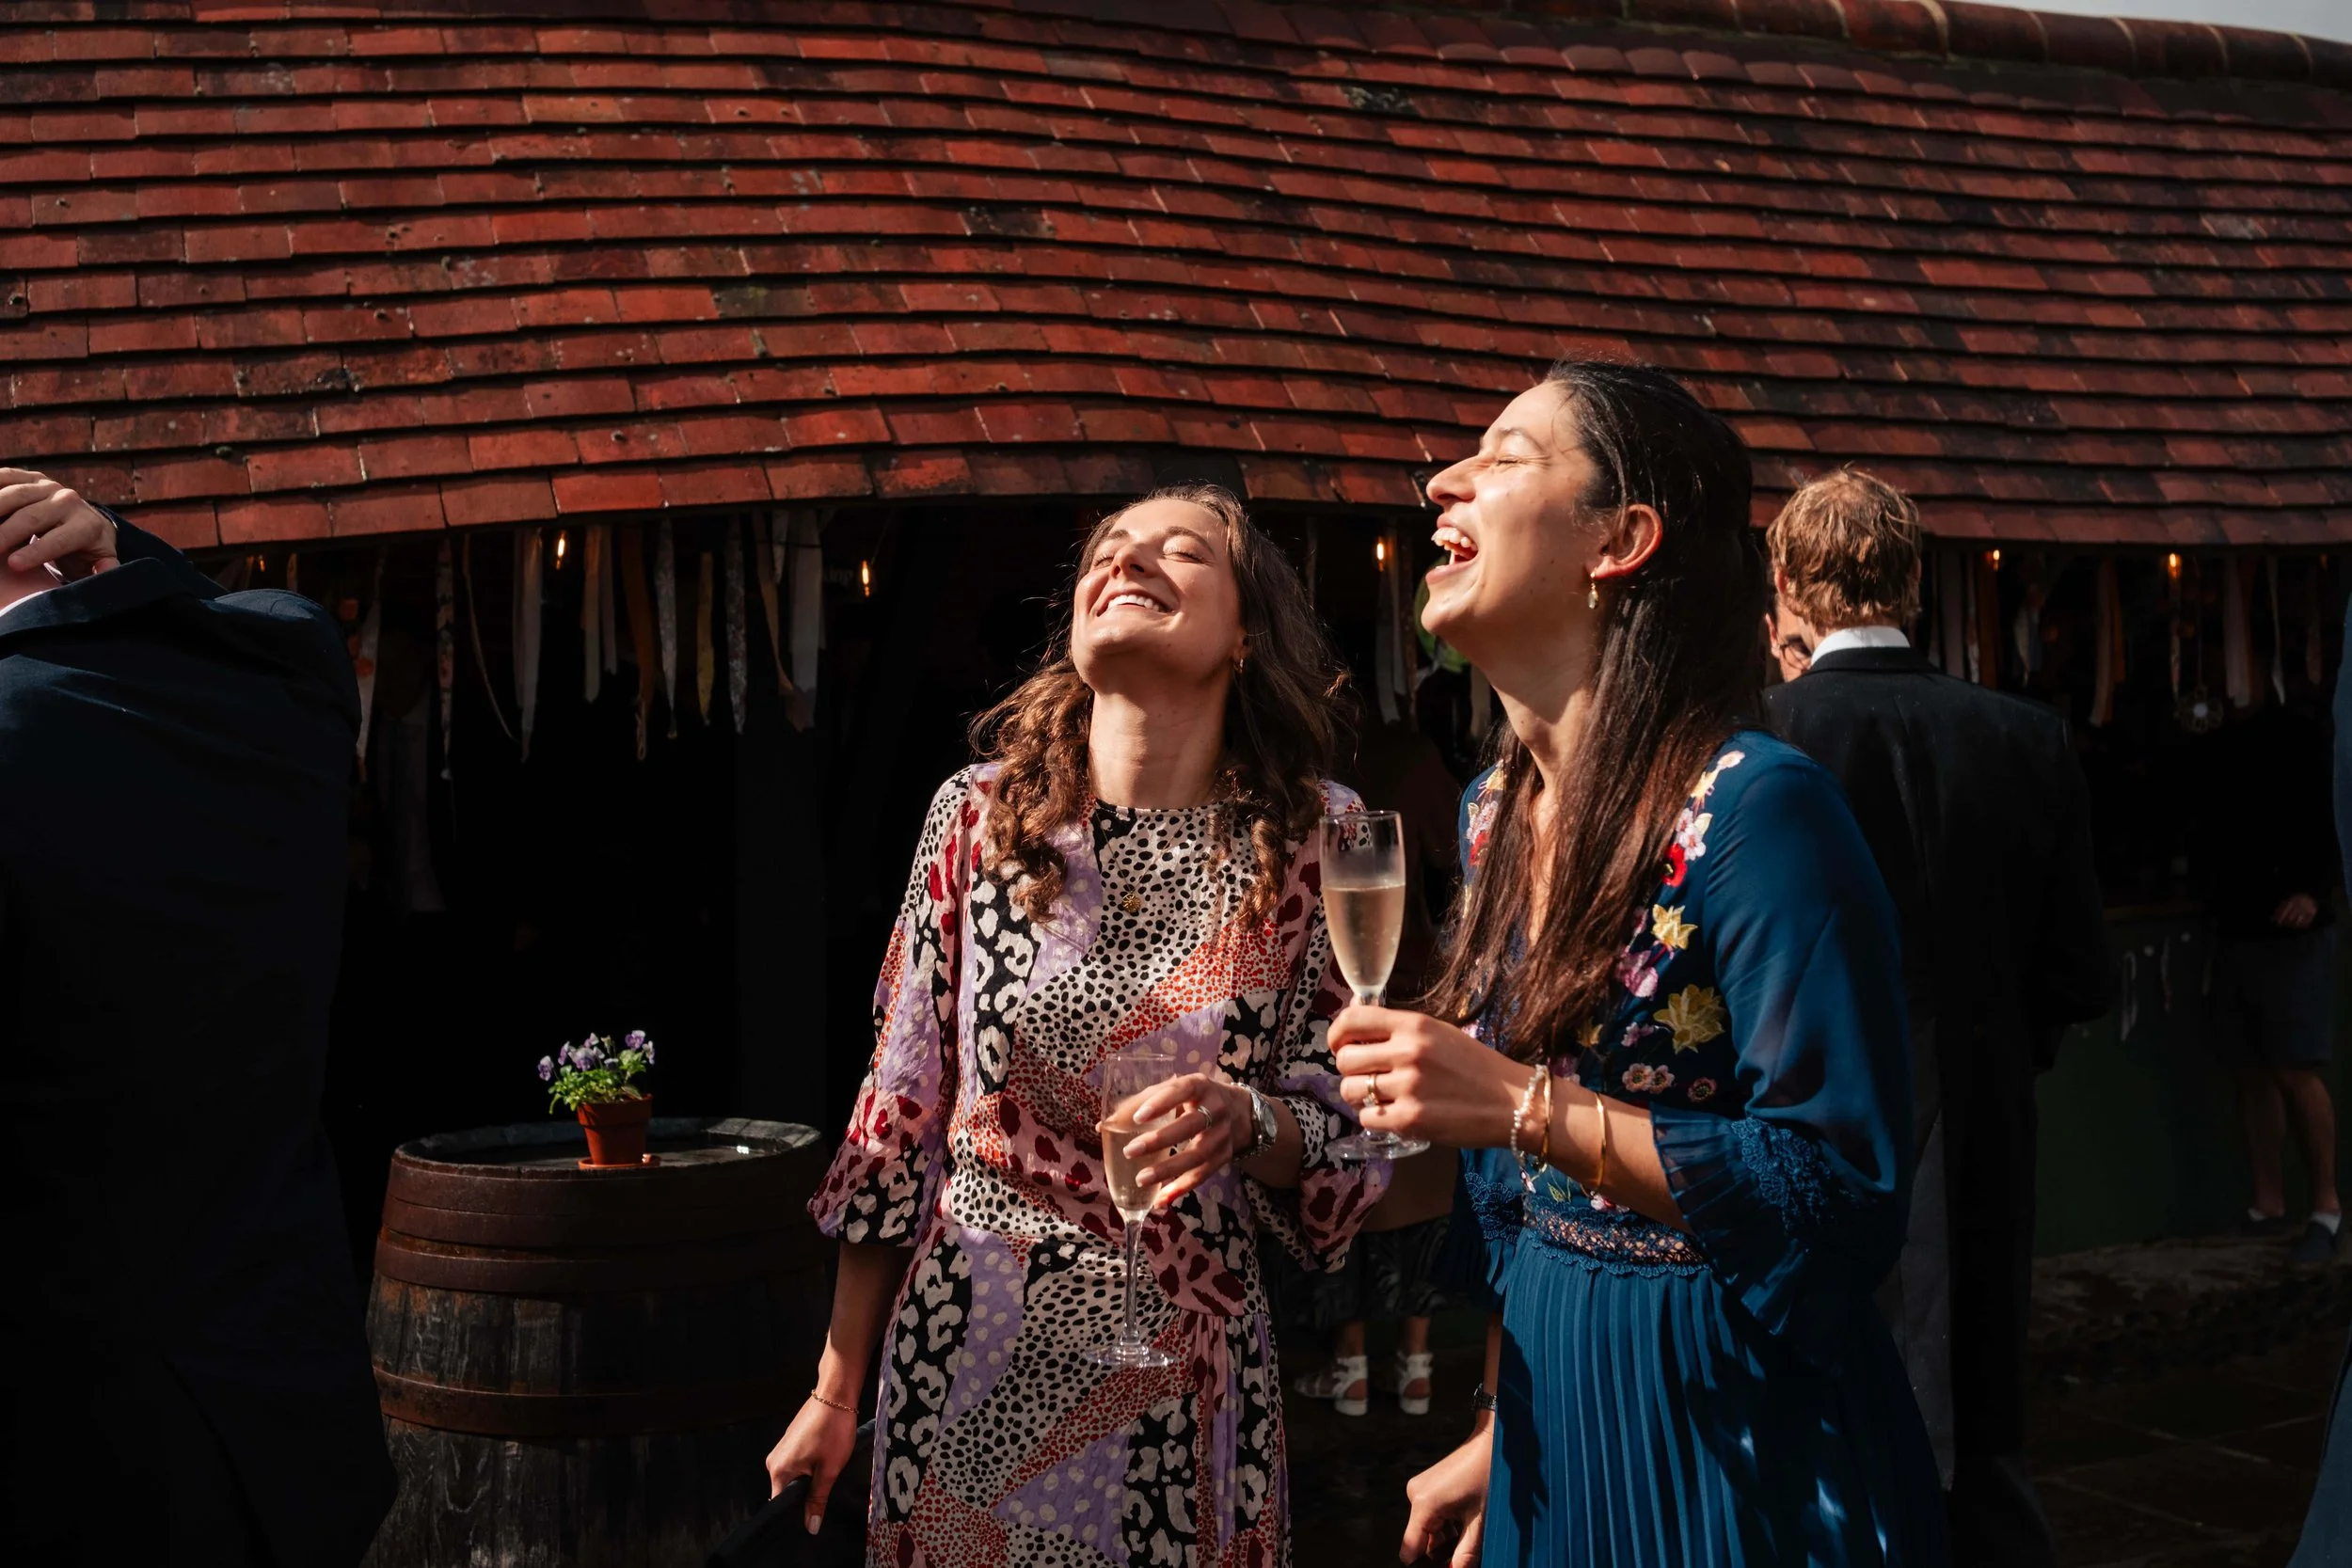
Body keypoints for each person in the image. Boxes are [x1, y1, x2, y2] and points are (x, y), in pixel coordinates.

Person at [1327, 361, 1947, 1566]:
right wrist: (1505, 1421)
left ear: (1623, 539)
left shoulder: (1760, 809)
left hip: (1731, 1423)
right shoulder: (1488, 813)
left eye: (1504, 457)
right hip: (1559, 1411)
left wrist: (1514, 1101)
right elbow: (1517, 1209)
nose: (1443, 481)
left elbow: (1837, 1194)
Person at [766, 484, 1382, 1566]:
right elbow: (898, 1104)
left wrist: (1249, 1120)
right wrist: (833, 1387)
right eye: (1109, 550)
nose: (1128, 561)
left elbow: (1354, 1121)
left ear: (1246, 631)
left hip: (1186, 1366)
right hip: (968, 1347)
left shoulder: (1316, 837)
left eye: (1179, 550)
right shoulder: (978, 815)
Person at [0, 472, 396, 1564]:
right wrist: (129, 549)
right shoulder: (286, 684)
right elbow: (267, 617)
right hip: (287, 1396)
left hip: (83, 1445)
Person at [1762, 469, 2113, 1566]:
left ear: (1783, 584)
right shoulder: (2025, 736)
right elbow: (2075, 974)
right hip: (1982, 1129)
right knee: (1981, 1448)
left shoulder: (1756, 737)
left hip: (1802, 1134)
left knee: (1815, 1449)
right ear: (1914, 579)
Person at [1289, 713, 1462, 1418]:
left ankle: (1352, 1367)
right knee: (1416, 1188)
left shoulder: (1304, 759)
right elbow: (1456, 851)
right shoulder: (1412, 751)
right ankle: (1416, 1367)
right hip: (1411, 982)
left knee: (1347, 1183)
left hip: (1330, 1003)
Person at [2189, 695, 2341, 1267]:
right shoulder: (2216, 740)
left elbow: (2333, 813)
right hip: (2236, 926)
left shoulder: (2304, 734)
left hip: (2294, 931)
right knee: (2251, 1070)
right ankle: (2268, 1202)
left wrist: (2314, 889)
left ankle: (2327, 1208)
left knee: (2295, 1069)